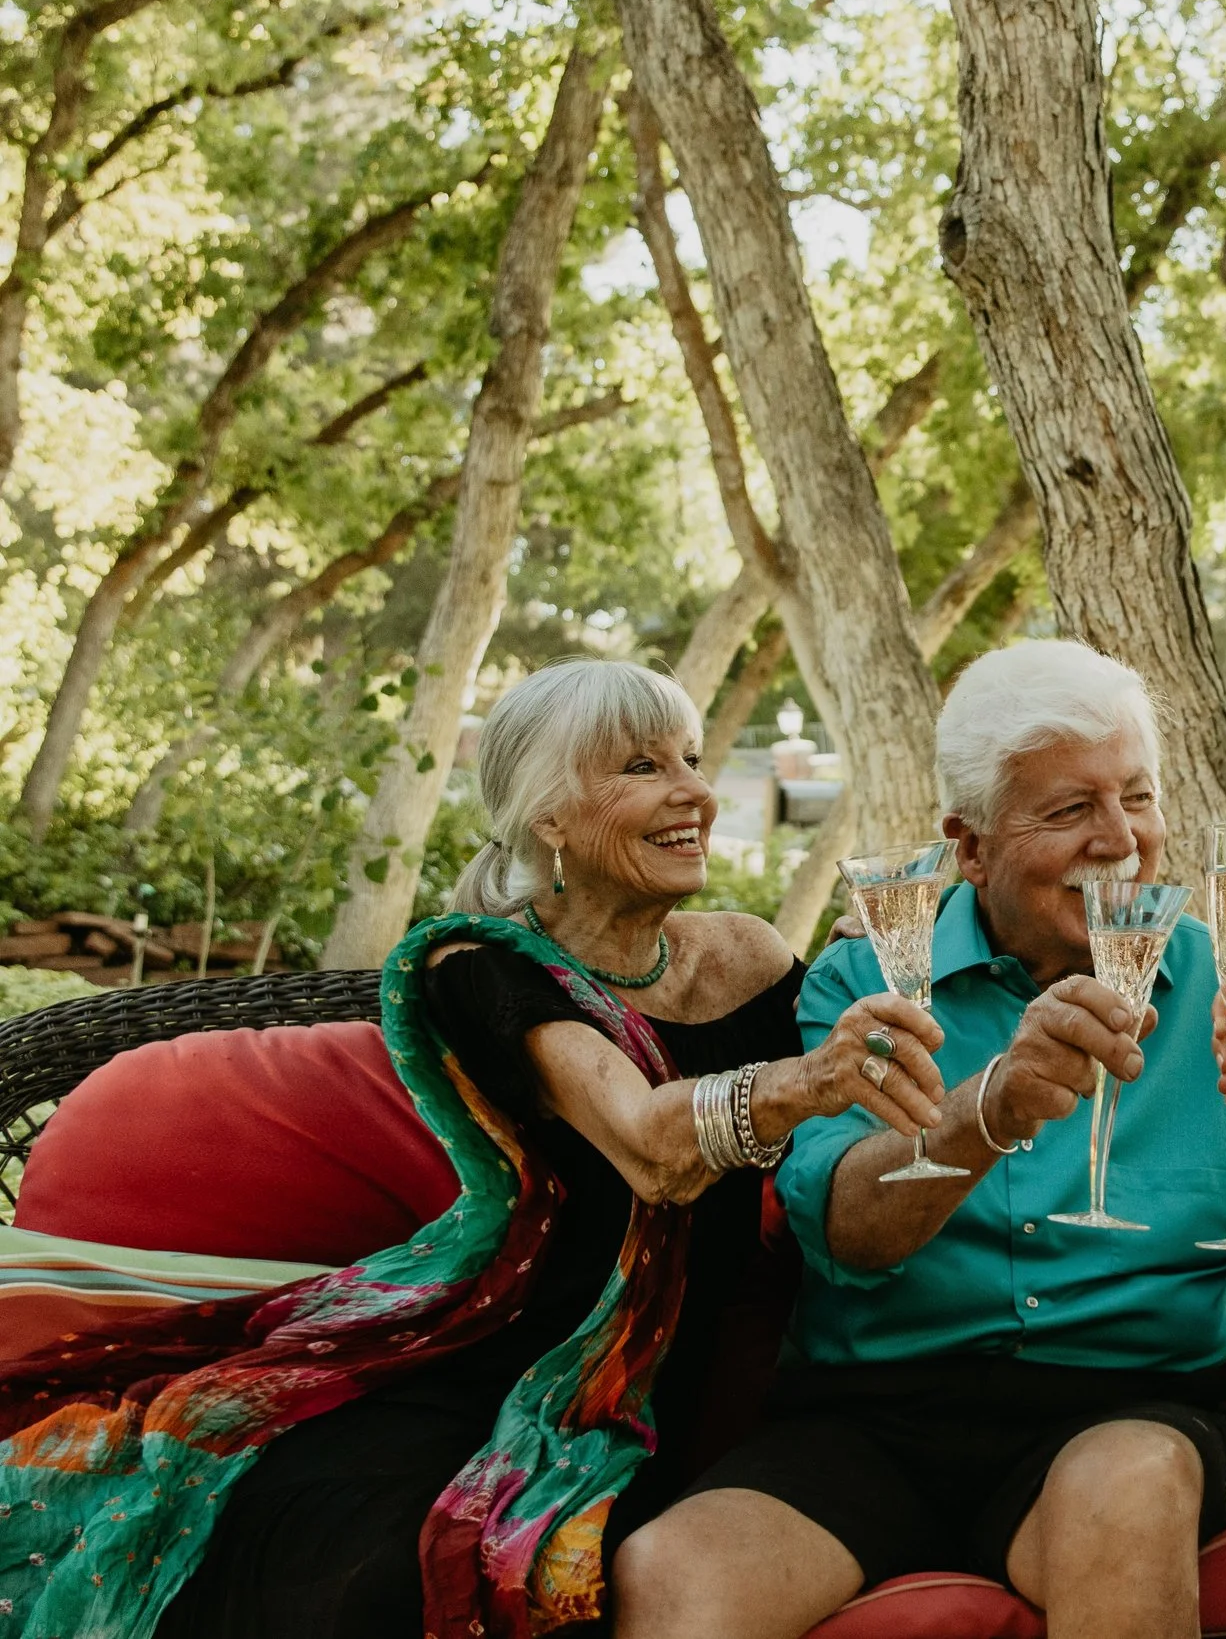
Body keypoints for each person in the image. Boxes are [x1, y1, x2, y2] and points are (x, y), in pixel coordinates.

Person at [612, 639, 1226, 1639]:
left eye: (1138, 796)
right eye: (1071, 809)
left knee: (1127, 1492)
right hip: (872, 1418)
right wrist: (983, 1112)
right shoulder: (864, 982)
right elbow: (844, 1228)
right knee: (671, 1572)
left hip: (1123, 1409)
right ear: (971, 845)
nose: (1120, 839)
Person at [128, 660, 943, 1636]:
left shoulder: (753, 957)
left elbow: (855, 1121)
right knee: (374, 1575)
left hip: (662, 1396)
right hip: (486, 1378)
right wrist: (806, 1077)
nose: (694, 789)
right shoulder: (476, 963)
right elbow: (650, 1145)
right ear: (548, 814)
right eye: (643, 765)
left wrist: (873, 978)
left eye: (691, 758)